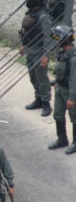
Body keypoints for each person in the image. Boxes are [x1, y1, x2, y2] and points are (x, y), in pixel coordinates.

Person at [19, 0, 53, 117]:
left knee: (42, 78)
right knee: (33, 76)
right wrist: (23, 44)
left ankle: (46, 103)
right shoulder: (31, 13)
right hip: (29, 49)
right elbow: (25, 31)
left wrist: (45, 55)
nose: (27, 2)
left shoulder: (43, 16)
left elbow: (48, 37)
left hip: (39, 51)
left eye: (29, 0)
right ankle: (38, 99)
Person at [48, 25, 76, 154]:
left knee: (74, 118)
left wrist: (72, 98)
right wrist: (56, 82)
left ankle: (75, 143)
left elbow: (73, 80)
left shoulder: (73, 58)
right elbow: (59, 71)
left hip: (70, 92)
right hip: (60, 89)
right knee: (58, 115)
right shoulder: (62, 53)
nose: (56, 41)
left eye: (57, 38)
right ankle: (62, 139)